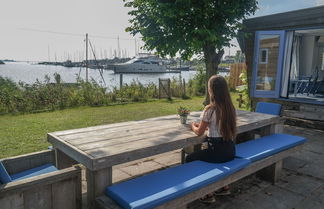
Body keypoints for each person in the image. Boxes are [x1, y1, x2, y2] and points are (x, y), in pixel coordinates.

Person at [187, 75, 237, 203]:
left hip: (216, 153)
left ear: (211, 90)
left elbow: (199, 132)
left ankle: (207, 193)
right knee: (205, 156)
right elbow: (218, 127)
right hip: (230, 151)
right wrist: (207, 126)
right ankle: (223, 187)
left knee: (189, 159)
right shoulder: (230, 108)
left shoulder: (210, 109)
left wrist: (193, 125)